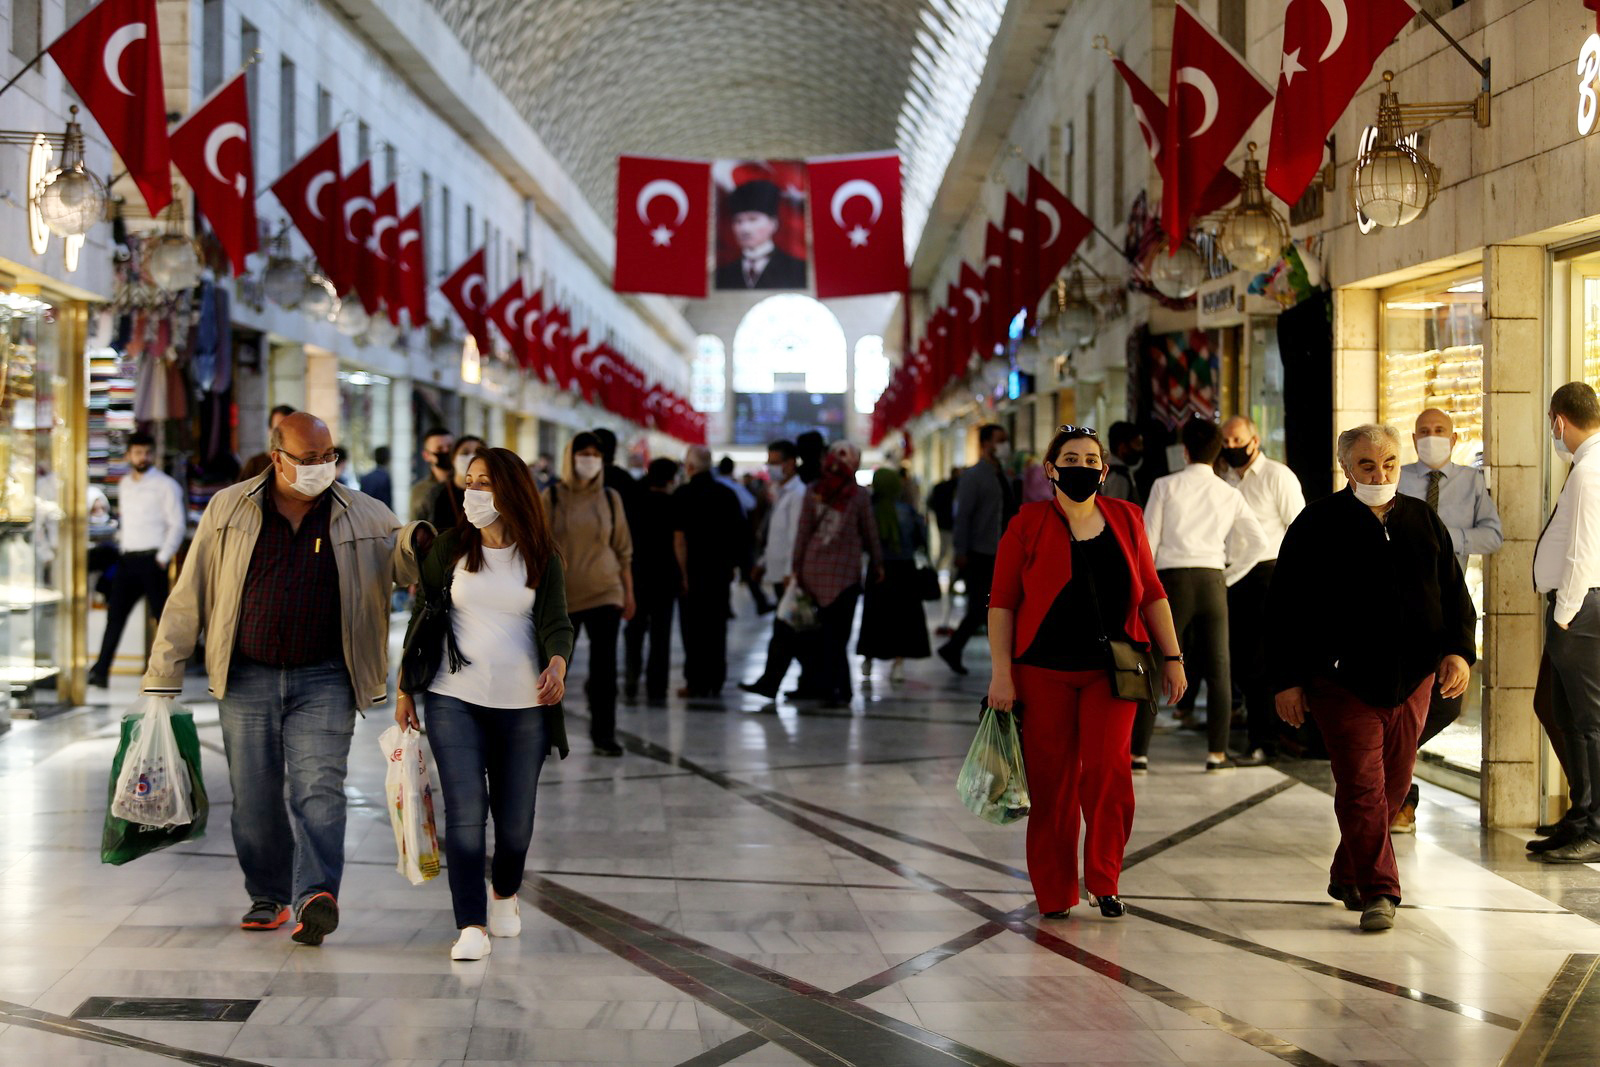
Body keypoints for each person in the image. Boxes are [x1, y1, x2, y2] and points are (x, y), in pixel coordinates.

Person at [142, 413, 431, 945]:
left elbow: (404, 563)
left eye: (329, 457)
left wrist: (419, 540)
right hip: (246, 674)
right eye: (308, 459)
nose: (322, 468)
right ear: (277, 457)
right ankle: (268, 894)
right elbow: (191, 590)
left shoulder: (363, 513)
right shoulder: (230, 508)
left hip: (325, 677)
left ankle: (315, 895)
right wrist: (165, 669)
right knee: (254, 797)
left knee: (319, 790)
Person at [1269, 423, 1474, 931]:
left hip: (1414, 682)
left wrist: (1458, 652)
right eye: (1367, 465)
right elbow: (1284, 610)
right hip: (1342, 683)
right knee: (1362, 786)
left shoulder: (1423, 520)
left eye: (1387, 463)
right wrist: (1286, 679)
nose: (1379, 473)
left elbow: (1454, 595)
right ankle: (1380, 891)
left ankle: (1348, 871)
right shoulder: (1317, 523)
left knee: (1395, 784)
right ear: (1346, 468)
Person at [986, 425, 1186, 920]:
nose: (1082, 466)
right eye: (1070, 459)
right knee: (1052, 782)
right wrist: (1000, 674)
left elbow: (1153, 592)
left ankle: (1105, 879)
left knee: (1109, 773)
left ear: (1104, 469)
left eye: (1091, 459)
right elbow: (1003, 604)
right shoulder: (1026, 523)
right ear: (1050, 469)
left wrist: (1174, 657)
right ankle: (1055, 891)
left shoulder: (1126, 517)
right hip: (1041, 670)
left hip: (1113, 670)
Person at [396, 447, 573, 961]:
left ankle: (505, 893)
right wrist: (406, 688)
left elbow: (558, 623)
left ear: (511, 491)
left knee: (515, 822)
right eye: (469, 482)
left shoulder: (541, 554)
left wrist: (557, 665)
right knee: (466, 813)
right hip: (454, 700)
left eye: (485, 484)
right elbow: (422, 619)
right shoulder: (451, 546)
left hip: (524, 705)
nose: (474, 493)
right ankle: (470, 924)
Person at [1393, 407, 1503, 832]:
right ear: (1414, 437)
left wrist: (1443, 538)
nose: (1431, 436)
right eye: (1424, 431)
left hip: (1451, 603)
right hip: (1405, 605)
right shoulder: (1398, 478)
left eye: (1439, 431)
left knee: (1446, 703)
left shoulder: (1471, 483)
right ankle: (1402, 799)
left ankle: (1391, 758)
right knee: (1403, 698)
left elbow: (1493, 535)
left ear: (1454, 439)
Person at [1140, 417, 1269, 771]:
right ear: (1218, 454)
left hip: (1171, 582)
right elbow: (1258, 541)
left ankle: (1139, 754)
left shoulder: (1165, 486)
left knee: (1154, 664)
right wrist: (1230, 576)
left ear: (1184, 451)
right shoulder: (1229, 492)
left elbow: (1147, 542)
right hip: (1213, 580)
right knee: (1219, 667)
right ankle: (1216, 753)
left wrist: (1145, 588)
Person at [1530, 384, 1600, 863]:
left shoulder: (1590, 471)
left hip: (1581, 610)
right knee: (1557, 710)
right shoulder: (1586, 466)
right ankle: (1580, 815)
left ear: (1558, 421)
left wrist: (1564, 615)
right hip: (1577, 608)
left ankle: (1595, 829)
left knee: (1589, 722)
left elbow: (1582, 552)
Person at [1218, 416, 1306, 767]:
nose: (1231, 447)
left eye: (1237, 440)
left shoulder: (1277, 476)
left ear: (1254, 439)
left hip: (1268, 574)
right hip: (1233, 574)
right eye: (1225, 441)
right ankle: (1260, 735)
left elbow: (1299, 528)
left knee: (1260, 663)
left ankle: (1265, 741)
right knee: (1240, 662)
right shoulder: (1224, 478)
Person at [541, 432, 634, 757]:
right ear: (571, 457)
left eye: (596, 454)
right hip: (562, 596)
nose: (590, 459)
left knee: (605, 669)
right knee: (555, 664)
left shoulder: (610, 498)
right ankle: (548, 733)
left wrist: (629, 593)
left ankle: (604, 734)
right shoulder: (551, 496)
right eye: (584, 453)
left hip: (606, 591)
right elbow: (538, 546)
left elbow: (622, 549)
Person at [88, 432, 186, 688]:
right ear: (129, 455)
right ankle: (100, 671)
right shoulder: (124, 485)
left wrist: (163, 557)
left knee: (162, 620)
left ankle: (165, 672)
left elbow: (177, 524)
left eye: (147, 452)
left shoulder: (166, 485)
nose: (142, 457)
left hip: (153, 560)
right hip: (128, 559)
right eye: (138, 452)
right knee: (115, 616)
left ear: (152, 454)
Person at [792, 441, 882, 706]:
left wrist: (796, 568)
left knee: (822, 635)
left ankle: (833, 687)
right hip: (845, 577)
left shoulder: (813, 491)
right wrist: (878, 563)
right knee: (838, 636)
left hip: (812, 573)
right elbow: (870, 534)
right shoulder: (859, 495)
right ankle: (839, 690)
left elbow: (802, 534)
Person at [673, 445, 748, 698]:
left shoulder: (683, 494)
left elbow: (680, 539)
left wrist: (681, 574)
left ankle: (696, 681)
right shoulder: (726, 494)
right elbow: (740, 533)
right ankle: (716, 679)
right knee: (717, 627)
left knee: (693, 629)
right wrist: (733, 567)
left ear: (690, 467)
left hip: (693, 573)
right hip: (719, 572)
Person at [938, 424, 1013, 675]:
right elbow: (963, 516)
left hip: (1002, 549)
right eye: (999, 440)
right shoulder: (973, 476)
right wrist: (961, 549)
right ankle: (954, 647)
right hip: (982, 551)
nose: (1004, 445)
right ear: (985, 444)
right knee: (981, 606)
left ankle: (954, 647)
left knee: (988, 606)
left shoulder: (1003, 474)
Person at [740, 440, 809, 700]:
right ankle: (803, 680)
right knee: (791, 634)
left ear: (790, 463)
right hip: (778, 572)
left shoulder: (798, 494)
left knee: (785, 632)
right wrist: (763, 564)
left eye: (774, 462)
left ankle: (770, 682)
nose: (770, 468)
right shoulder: (781, 492)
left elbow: (794, 537)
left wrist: (792, 572)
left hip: (788, 576)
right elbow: (775, 537)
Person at [857, 468, 930, 684]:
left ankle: (868, 659)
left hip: (878, 570)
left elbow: (863, 542)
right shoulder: (908, 511)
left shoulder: (870, 511)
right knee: (902, 619)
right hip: (905, 571)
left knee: (874, 616)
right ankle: (898, 664)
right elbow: (921, 541)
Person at [624, 458, 681, 705]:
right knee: (661, 633)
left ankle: (631, 677)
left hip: (637, 575)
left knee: (635, 630)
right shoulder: (674, 504)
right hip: (665, 577)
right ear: (671, 479)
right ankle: (657, 686)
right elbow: (679, 543)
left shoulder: (634, 503)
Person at [713, 179, 807, 290]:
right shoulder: (722, 274)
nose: (744, 229)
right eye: (738, 221)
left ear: (773, 224)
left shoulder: (798, 269)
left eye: (753, 220)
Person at [421, 435, 484, 531]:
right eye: (465, 453)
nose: (472, 457)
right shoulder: (437, 493)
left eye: (477, 453)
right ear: (453, 458)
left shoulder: (491, 493)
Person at [926, 466, 961, 634]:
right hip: (950, 525)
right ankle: (945, 576)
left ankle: (936, 574)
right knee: (949, 551)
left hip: (943, 524)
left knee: (944, 550)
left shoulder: (941, 486)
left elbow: (931, 503)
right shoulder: (955, 487)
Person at [237, 405, 298, 483]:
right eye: (278, 429)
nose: (284, 435)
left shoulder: (299, 465)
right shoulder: (254, 465)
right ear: (270, 431)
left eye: (289, 430)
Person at [410, 427, 455, 521]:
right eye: (439, 449)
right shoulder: (420, 490)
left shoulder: (465, 484)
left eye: (450, 447)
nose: (446, 451)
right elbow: (415, 525)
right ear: (426, 456)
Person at [1101, 422, 1143, 504]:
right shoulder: (1119, 477)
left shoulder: (1108, 469)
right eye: (1137, 444)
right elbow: (1115, 511)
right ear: (1123, 448)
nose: (1141, 448)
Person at [360, 445, 393, 510]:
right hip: (380, 514)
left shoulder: (365, 477)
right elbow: (387, 502)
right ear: (387, 459)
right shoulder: (385, 477)